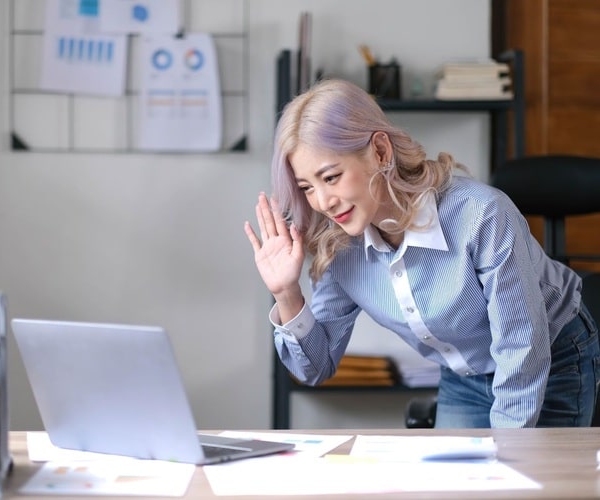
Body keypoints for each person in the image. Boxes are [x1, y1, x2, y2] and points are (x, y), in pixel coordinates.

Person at [243, 78, 600, 428]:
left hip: (552, 357)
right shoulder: (341, 246)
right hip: (465, 374)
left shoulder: (481, 214)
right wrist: (287, 293)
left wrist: (502, 461)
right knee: (454, 488)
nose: (322, 202)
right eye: (307, 187)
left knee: (524, 484)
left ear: (380, 151)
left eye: (331, 177)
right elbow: (316, 368)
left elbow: (522, 345)